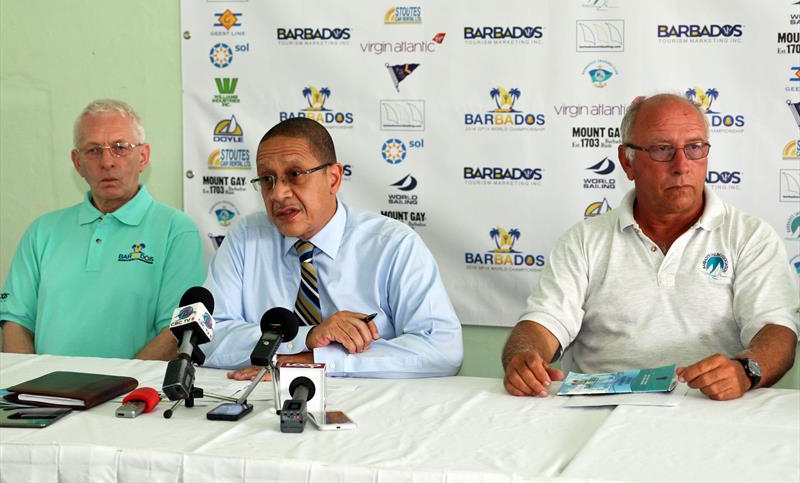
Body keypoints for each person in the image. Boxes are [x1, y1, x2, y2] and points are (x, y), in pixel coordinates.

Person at [503, 94, 799, 401]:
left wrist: (745, 369)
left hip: (707, 410)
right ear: (626, 161)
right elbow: (543, 323)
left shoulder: (750, 236)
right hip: (599, 411)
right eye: (662, 150)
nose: (682, 166)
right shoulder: (583, 241)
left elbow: (776, 331)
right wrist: (525, 357)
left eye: (695, 147)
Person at [202, 117, 463, 378]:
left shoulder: (392, 245)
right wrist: (307, 337)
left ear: (334, 178)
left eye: (294, 175)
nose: (278, 194)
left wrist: (318, 360)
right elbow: (204, 337)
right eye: (267, 179)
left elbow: (442, 350)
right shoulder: (245, 238)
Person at [1, 100, 205, 359]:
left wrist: (120, 390)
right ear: (77, 162)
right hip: (44, 396)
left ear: (143, 156)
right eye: (93, 150)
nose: (107, 161)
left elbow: (176, 332)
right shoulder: (42, 232)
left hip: (131, 395)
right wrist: (27, 390)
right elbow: (16, 324)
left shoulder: (176, 231)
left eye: (120, 148)